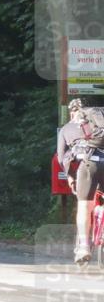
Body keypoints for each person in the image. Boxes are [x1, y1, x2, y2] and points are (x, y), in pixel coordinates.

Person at [57, 98, 104, 263]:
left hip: (89, 164)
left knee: (84, 204)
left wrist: (70, 176)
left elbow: (61, 158)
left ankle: (84, 246)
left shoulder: (67, 128)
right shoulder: (99, 121)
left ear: (72, 113)